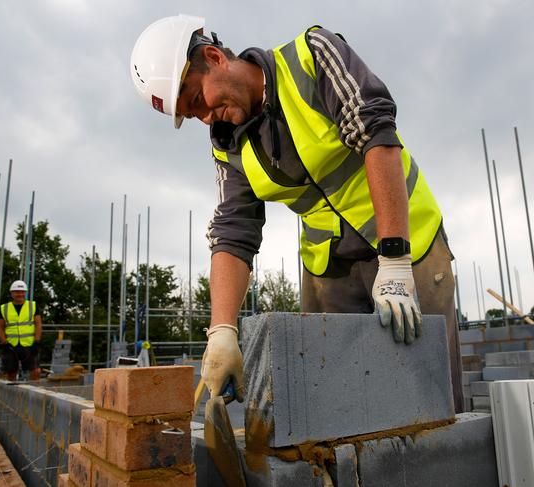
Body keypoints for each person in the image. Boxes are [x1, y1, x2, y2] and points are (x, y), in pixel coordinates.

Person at [130, 15, 464, 412]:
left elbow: (376, 133)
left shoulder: (311, 57)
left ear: (214, 57)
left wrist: (394, 258)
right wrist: (221, 330)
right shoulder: (228, 145)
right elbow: (233, 232)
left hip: (407, 245)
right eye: (191, 113)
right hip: (329, 268)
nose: (205, 117)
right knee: (332, 409)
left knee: (433, 399)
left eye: (198, 99)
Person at [0, 280, 42, 381]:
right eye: (17, 291)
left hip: (29, 345)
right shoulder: (4, 308)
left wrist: (37, 341)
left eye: (22, 292)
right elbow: (0, 327)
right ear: (12, 293)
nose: (20, 294)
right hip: (11, 345)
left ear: (25, 293)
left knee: (35, 371)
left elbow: (38, 324)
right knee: (11, 372)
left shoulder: (32, 305)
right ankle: (11, 394)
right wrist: (4, 342)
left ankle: (34, 393)